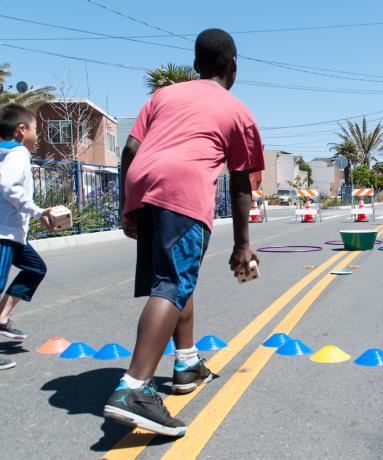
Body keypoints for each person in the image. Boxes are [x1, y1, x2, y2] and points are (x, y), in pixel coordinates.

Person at [103, 29, 264, 437]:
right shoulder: (237, 111)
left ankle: (186, 363)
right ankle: (134, 389)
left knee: (176, 277)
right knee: (172, 283)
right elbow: (241, 184)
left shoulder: (163, 96)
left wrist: (128, 205)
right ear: (233, 67)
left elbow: (129, 151)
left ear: (195, 66)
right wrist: (243, 244)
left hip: (143, 184)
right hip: (182, 188)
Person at [0, 104, 55, 370]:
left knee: (35, 268)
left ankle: (1, 317)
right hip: (3, 233)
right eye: (36, 129)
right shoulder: (18, 152)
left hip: (12, 234)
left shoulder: (4, 152)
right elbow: (9, 186)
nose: (38, 135)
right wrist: (38, 211)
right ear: (21, 130)